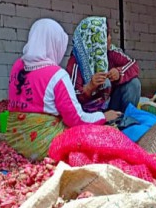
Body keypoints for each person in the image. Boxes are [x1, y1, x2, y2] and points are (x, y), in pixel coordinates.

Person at [7, 18, 121, 161]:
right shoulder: (57, 75)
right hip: (42, 145)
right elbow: (76, 119)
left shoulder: (17, 66)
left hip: (14, 139)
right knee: (104, 135)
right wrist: (103, 116)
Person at [66, 16, 141, 113]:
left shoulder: (111, 52)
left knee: (134, 84)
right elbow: (70, 98)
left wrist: (119, 73)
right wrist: (89, 87)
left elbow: (133, 65)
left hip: (110, 106)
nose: (110, 38)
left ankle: (124, 120)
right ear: (96, 40)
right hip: (87, 113)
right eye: (106, 35)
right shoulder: (76, 61)